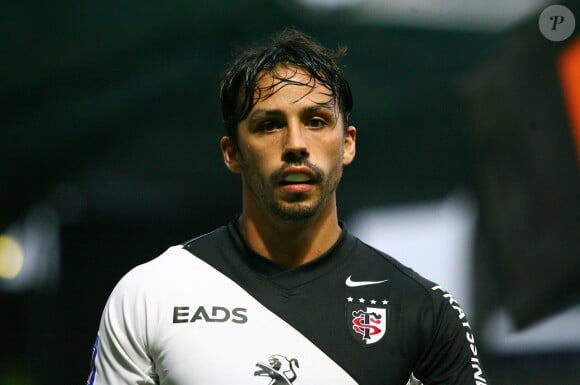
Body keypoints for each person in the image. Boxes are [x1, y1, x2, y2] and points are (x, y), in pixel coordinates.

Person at [86, 28, 488, 385]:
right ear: (232, 153)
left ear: (347, 143)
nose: (295, 144)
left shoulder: (423, 311)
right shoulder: (149, 295)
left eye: (315, 121)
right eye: (269, 124)